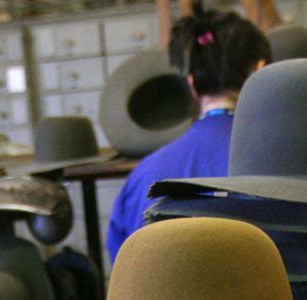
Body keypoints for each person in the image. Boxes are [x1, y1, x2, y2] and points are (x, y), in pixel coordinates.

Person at [105, 7, 271, 259]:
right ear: (259, 70)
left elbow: (124, 267)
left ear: (192, 83)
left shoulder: (143, 176)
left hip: (160, 298)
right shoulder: (281, 165)